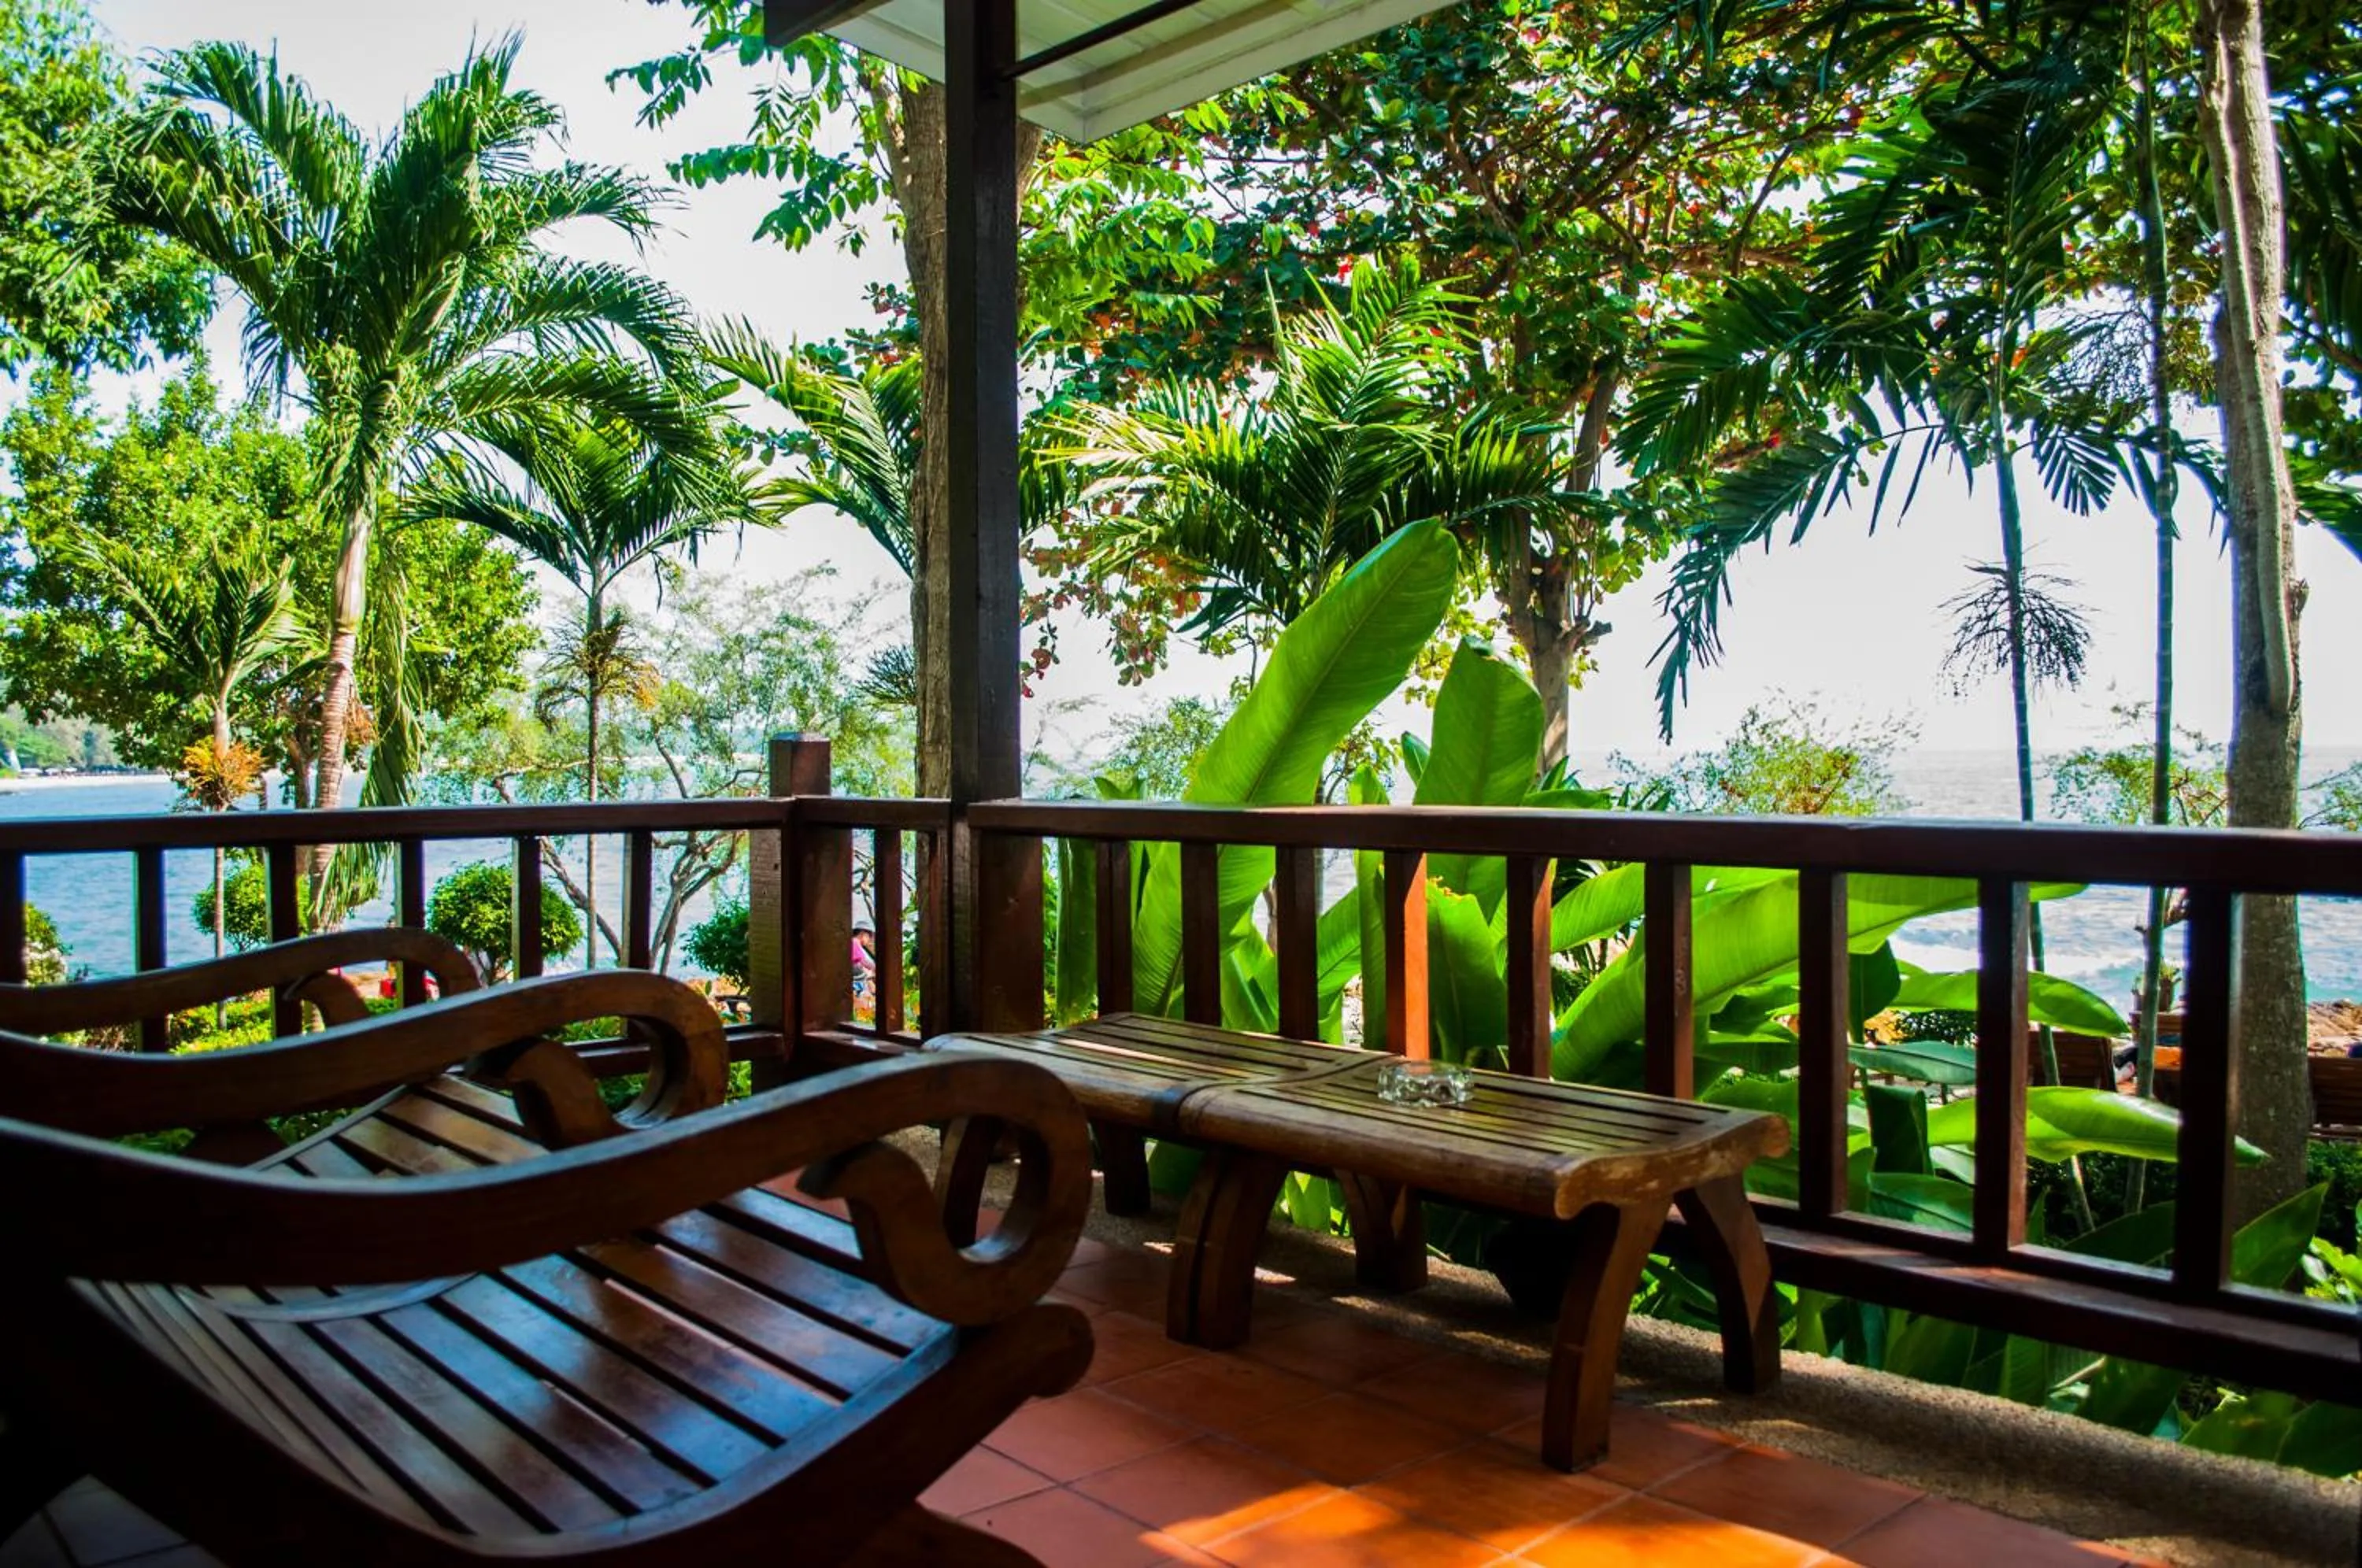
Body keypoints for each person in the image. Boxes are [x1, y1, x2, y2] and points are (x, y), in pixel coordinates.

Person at [850, 920, 878, 1011]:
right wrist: (874, 967)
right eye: (869, 937)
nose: (869, 940)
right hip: (856, 978)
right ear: (863, 934)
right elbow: (863, 961)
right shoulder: (855, 942)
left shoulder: (854, 944)